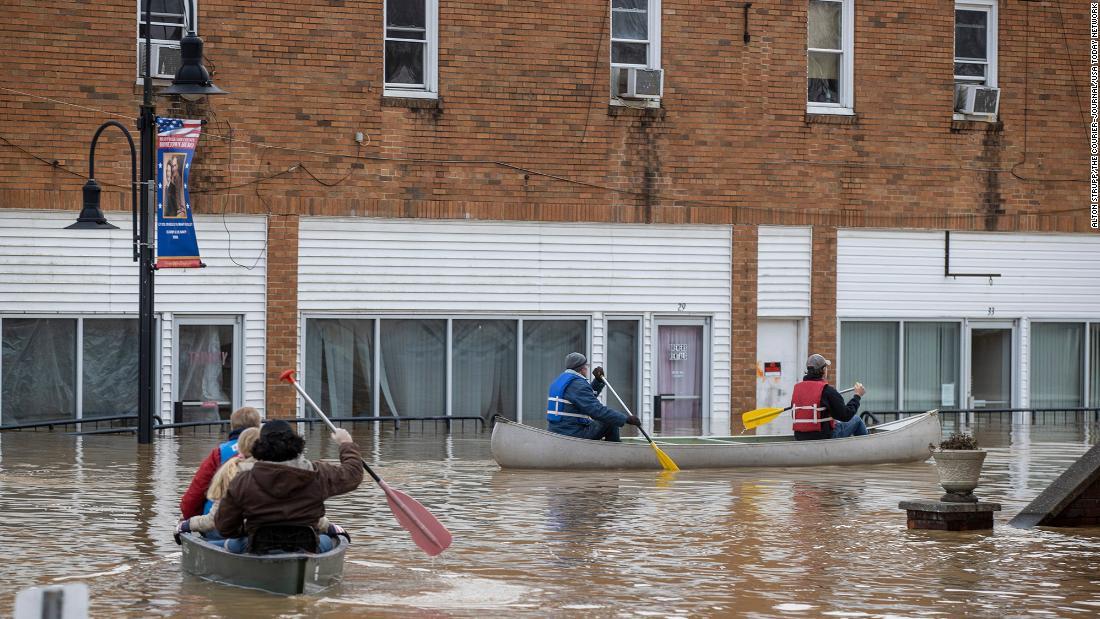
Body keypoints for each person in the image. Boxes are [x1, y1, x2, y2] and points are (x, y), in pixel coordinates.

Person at [215, 420, 363, 553]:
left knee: (232, 543)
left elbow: (225, 527)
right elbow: (353, 475)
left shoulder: (242, 481)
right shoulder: (318, 474)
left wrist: (246, 530)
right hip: (307, 545)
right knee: (330, 539)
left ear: (260, 447)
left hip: (259, 546)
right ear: (295, 444)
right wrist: (346, 443)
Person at [179, 406, 262, 519]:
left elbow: (197, 491)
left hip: (220, 521)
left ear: (232, 427)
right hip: (259, 519)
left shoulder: (219, 453)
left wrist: (188, 518)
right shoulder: (269, 450)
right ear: (258, 426)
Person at [546, 352, 641, 442]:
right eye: (586, 366)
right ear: (582, 368)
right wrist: (625, 419)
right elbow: (597, 411)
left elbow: (583, 399)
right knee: (610, 421)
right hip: (572, 433)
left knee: (609, 418)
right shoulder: (578, 384)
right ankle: (615, 452)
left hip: (556, 431)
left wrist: (598, 381)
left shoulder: (559, 381)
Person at [791, 354, 867, 441]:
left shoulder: (797, 389)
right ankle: (868, 448)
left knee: (836, 422)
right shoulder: (827, 390)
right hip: (824, 438)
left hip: (800, 437)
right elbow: (846, 415)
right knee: (856, 419)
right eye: (826, 367)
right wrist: (857, 396)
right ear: (823, 370)